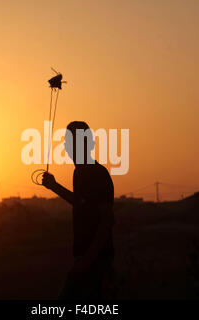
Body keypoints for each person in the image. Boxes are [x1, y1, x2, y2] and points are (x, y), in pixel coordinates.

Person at [42, 121, 115, 299]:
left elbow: (107, 221)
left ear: (85, 144)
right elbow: (81, 203)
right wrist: (54, 186)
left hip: (95, 260)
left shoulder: (96, 174)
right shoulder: (81, 173)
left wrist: (87, 261)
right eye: (67, 142)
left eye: (71, 142)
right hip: (87, 258)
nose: (67, 147)